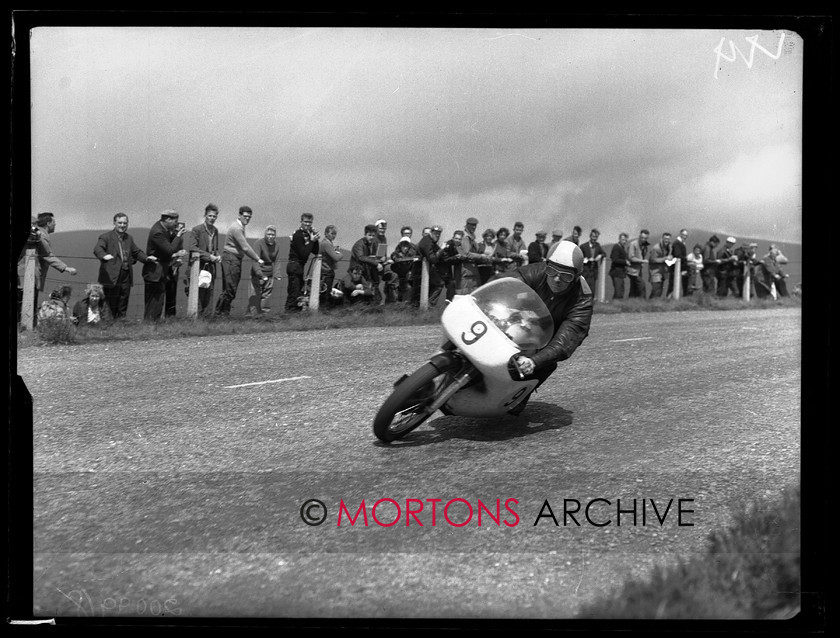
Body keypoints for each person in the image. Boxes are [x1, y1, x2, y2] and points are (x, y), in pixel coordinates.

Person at [498, 240, 593, 416]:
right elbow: (503, 283)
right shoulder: (536, 271)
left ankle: (520, 395)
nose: (557, 279)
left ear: (576, 277)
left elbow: (567, 340)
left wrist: (535, 361)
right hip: (520, 319)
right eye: (552, 271)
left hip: (548, 336)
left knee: (546, 362)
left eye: (566, 276)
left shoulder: (583, 299)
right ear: (546, 265)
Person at [17, 212, 78, 325]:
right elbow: (47, 254)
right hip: (27, 276)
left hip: (25, 275)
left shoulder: (38, 235)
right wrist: (65, 268)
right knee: (26, 305)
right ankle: (26, 328)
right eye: (54, 222)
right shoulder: (41, 235)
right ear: (48, 223)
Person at [93, 213, 155, 319]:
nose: (122, 225)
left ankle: (121, 324)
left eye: (125, 223)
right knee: (110, 304)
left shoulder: (128, 238)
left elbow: (136, 252)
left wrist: (146, 258)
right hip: (111, 276)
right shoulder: (106, 237)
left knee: (123, 301)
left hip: (126, 275)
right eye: (120, 223)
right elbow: (98, 249)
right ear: (114, 223)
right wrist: (104, 256)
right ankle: (108, 326)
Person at [216, 206, 264, 317]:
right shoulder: (237, 228)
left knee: (229, 287)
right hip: (231, 259)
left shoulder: (239, 226)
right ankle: (220, 314)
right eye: (245, 216)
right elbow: (245, 247)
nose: (247, 219)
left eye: (249, 217)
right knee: (231, 288)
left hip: (233, 258)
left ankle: (222, 313)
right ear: (240, 215)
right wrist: (257, 258)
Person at [143, 210, 187, 321]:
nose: (176, 224)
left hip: (162, 270)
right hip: (155, 271)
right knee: (153, 303)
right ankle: (150, 324)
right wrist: (178, 236)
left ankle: (155, 324)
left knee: (159, 301)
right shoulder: (158, 232)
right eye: (175, 221)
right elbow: (169, 250)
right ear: (168, 219)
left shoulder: (165, 230)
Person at [184, 203, 222, 317]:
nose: (212, 218)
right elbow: (193, 247)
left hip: (211, 267)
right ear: (205, 215)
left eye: (214, 216)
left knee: (209, 293)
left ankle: (207, 319)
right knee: (198, 294)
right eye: (210, 216)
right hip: (198, 266)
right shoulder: (197, 230)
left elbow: (215, 249)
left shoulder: (215, 231)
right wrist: (208, 256)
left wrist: (217, 255)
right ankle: (195, 319)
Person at [284, 213, 320, 312]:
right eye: (305, 222)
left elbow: (315, 251)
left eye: (310, 222)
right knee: (294, 294)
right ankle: (290, 313)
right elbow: (303, 254)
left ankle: (291, 314)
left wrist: (315, 239)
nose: (307, 224)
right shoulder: (298, 235)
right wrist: (312, 241)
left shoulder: (307, 235)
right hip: (294, 265)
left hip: (300, 266)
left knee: (297, 294)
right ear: (301, 222)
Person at [248, 225, 283, 315]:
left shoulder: (277, 244)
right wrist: (260, 274)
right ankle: (253, 316)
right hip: (258, 273)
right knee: (255, 294)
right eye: (268, 234)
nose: (270, 236)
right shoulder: (258, 243)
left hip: (269, 273)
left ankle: (264, 316)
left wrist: (277, 274)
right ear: (265, 234)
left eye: (272, 234)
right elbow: (255, 259)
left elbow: (278, 260)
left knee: (267, 295)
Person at [350, 224, 384, 303]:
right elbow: (361, 257)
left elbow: (369, 257)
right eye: (369, 235)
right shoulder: (359, 244)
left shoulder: (373, 244)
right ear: (365, 234)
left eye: (373, 235)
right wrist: (376, 264)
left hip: (367, 272)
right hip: (357, 273)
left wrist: (380, 258)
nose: (371, 237)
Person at [415, 224, 447, 307]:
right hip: (420, 270)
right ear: (431, 233)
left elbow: (441, 256)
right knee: (439, 284)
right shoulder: (427, 242)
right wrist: (442, 249)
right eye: (435, 233)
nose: (437, 235)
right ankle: (429, 304)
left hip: (424, 269)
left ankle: (427, 304)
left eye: (439, 234)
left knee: (436, 284)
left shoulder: (431, 241)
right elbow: (433, 259)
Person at [318, 225, 343, 308]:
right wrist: (340, 254)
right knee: (325, 292)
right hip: (326, 271)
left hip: (327, 270)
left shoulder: (328, 243)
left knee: (326, 291)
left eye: (335, 234)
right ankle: (324, 308)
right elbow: (335, 257)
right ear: (326, 233)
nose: (334, 236)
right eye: (332, 233)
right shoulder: (326, 244)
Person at [457, 217, 483, 294]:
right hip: (466, 268)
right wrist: (481, 256)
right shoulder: (466, 237)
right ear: (467, 225)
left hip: (472, 269)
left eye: (475, 225)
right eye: (471, 225)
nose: (474, 227)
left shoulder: (472, 238)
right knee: (464, 293)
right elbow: (466, 253)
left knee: (474, 292)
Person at [390, 236, 420, 302]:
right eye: (403, 246)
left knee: (409, 288)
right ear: (400, 246)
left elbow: (417, 258)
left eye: (407, 246)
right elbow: (395, 258)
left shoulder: (412, 253)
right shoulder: (396, 253)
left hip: (408, 277)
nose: (405, 248)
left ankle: (407, 304)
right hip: (398, 276)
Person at [580, 228, 606, 293]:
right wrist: (587, 260)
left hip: (593, 272)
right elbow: (579, 257)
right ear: (590, 236)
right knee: (584, 289)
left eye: (596, 237)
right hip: (585, 272)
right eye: (593, 236)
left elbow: (604, 254)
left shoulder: (598, 246)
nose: (594, 238)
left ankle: (591, 302)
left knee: (592, 290)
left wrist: (600, 256)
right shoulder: (583, 246)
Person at [648, 232, 673, 300]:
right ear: (662, 238)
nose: (666, 240)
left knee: (660, 290)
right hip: (655, 271)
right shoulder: (656, 248)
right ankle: (651, 304)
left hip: (663, 271)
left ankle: (654, 304)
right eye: (665, 238)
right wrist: (665, 259)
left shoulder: (669, 247)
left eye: (668, 239)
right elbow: (652, 260)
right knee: (656, 289)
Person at [627, 229, 650, 298]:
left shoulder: (644, 246)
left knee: (634, 289)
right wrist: (642, 261)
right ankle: (643, 303)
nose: (643, 239)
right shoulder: (633, 244)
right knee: (642, 286)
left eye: (645, 238)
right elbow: (631, 257)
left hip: (639, 270)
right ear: (639, 236)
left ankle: (630, 303)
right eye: (642, 237)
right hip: (632, 270)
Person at [608, 233, 630, 300]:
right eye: (623, 240)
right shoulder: (616, 247)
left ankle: (616, 306)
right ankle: (615, 306)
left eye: (625, 240)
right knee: (618, 292)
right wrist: (625, 262)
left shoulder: (622, 247)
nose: (624, 241)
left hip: (621, 273)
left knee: (620, 290)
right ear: (619, 239)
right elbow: (614, 259)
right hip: (616, 272)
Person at [669, 229, 690, 297]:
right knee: (674, 283)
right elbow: (677, 255)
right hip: (677, 267)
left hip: (680, 266)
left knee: (677, 283)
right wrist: (686, 258)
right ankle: (671, 298)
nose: (685, 237)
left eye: (686, 235)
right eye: (683, 235)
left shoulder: (681, 243)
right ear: (680, 234)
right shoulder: (677, 243)